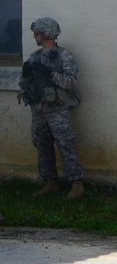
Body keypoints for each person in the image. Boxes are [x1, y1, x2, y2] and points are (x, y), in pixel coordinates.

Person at [18, 17, 85, 199]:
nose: (34, 37)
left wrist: (50, 73)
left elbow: (70, 83)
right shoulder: (35, 56)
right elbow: (24, 85)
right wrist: (25, 76)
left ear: (47, 34)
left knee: (65, 143)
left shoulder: (64, 56)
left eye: (37, 33)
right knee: (42, 144)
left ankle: (77, 184)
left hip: (58, 109)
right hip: (39, 109)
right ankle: (50, 182)